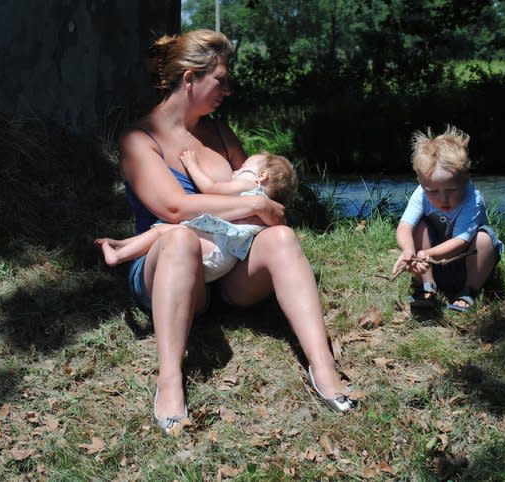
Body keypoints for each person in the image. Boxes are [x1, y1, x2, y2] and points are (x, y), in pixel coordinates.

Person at [118, 29, 354, 435]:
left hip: (225, 271)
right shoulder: (140, 138)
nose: (228, 89)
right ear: (190, 78)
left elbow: (261, 195)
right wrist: (252, 205)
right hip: (168, 270)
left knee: (281, 238)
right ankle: (170, 380)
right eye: (220, 79)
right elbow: (174, 208)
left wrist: (262, 207)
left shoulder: (222, 134)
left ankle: (323, 366)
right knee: (180, 236)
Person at [95, 150, 297, 283]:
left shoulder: (250, 185)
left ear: (261, 176)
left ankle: (119, 255)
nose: (235, 171)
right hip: (225, 262)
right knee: (164, 230)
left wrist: (192, 165)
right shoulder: (266, 212)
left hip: (216, 248)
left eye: (242, 167)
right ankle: (122, 245)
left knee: (164, 232)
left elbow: (210, 188)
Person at [392, 125, 504, 312]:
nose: (443, 199)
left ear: (466, 179)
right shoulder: (420, 194)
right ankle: (428, 286)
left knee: (484, 238)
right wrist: (408, 250)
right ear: (421, 183)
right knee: (419, 227)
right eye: (433, 191)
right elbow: (404, 226)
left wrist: (429, 254)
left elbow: (461, 241)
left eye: (451, 190)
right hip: (431, 267)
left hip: (468, 266)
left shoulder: (473, 199)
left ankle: (469, 290)